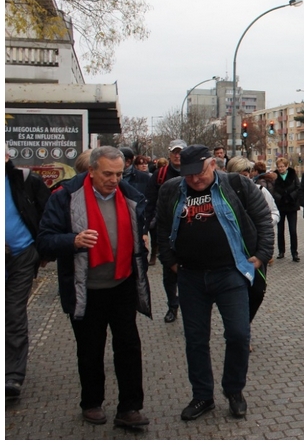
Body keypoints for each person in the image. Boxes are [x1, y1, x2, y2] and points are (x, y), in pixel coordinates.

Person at [156, 145, 274, 421]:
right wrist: (169, 260)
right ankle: (202, 396)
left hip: (230, 273)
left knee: (238, 334)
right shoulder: (172, 190)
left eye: (199, 173)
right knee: (196, 339)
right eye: (189, 175)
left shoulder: (237, 184)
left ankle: (234, 390)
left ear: (212, 164)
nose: (195, 180)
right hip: (191, 276)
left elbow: (263, 220)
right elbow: (162, 228)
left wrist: (260, 256)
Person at [36, 146, 151, 428]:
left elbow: (143, 226)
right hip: (85, 287)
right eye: (108, 174)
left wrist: (144, 240)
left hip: (123, 283)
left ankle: (130, 408)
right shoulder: (65, 197)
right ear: (92, 171)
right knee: (90, 349)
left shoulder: (130, 195)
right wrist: (72, 241)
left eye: (119, 174)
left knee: (128, 347)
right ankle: (91, 403)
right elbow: (45, 239)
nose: (114, 180)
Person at [6, 146, 51, 399]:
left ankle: (12, 375)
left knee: (13, 312)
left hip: (21, 255)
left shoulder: (24, 180)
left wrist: (43, 251)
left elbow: (46, 214)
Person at [226, 156, 279, 322]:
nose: (245, 178)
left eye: (248, 174)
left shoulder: (261, 191)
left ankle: (246, 322)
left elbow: (274, 212)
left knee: (257, 291)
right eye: (241, 174)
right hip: (232, 251)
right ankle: (240, 328)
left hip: (255, 249)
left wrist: (264, 223)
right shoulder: (223, 193)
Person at [145, 139, 186, 319]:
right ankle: (172, 305)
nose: (177, 156)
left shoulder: (195, 173)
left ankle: (190, 306)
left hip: (188, 230)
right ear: (169, 154)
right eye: (174, 152)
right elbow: (149, 202)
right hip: (166, 231)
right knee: (169, 270)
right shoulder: (160, 175)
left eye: (180, 152)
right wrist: (145, 228)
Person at [271, 157, 300, 261]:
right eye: (279, 167)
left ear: (287, 166)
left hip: (292, 205)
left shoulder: (293, 175)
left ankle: (294, 253)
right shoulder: (274, 176)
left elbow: (298, 187)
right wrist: (281, 197)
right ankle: (281, 251)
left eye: (282, 166)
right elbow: (272, 189)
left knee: (293, 230)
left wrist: (291, 196)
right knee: (280, 230)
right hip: (280, 205)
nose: (280, 168)